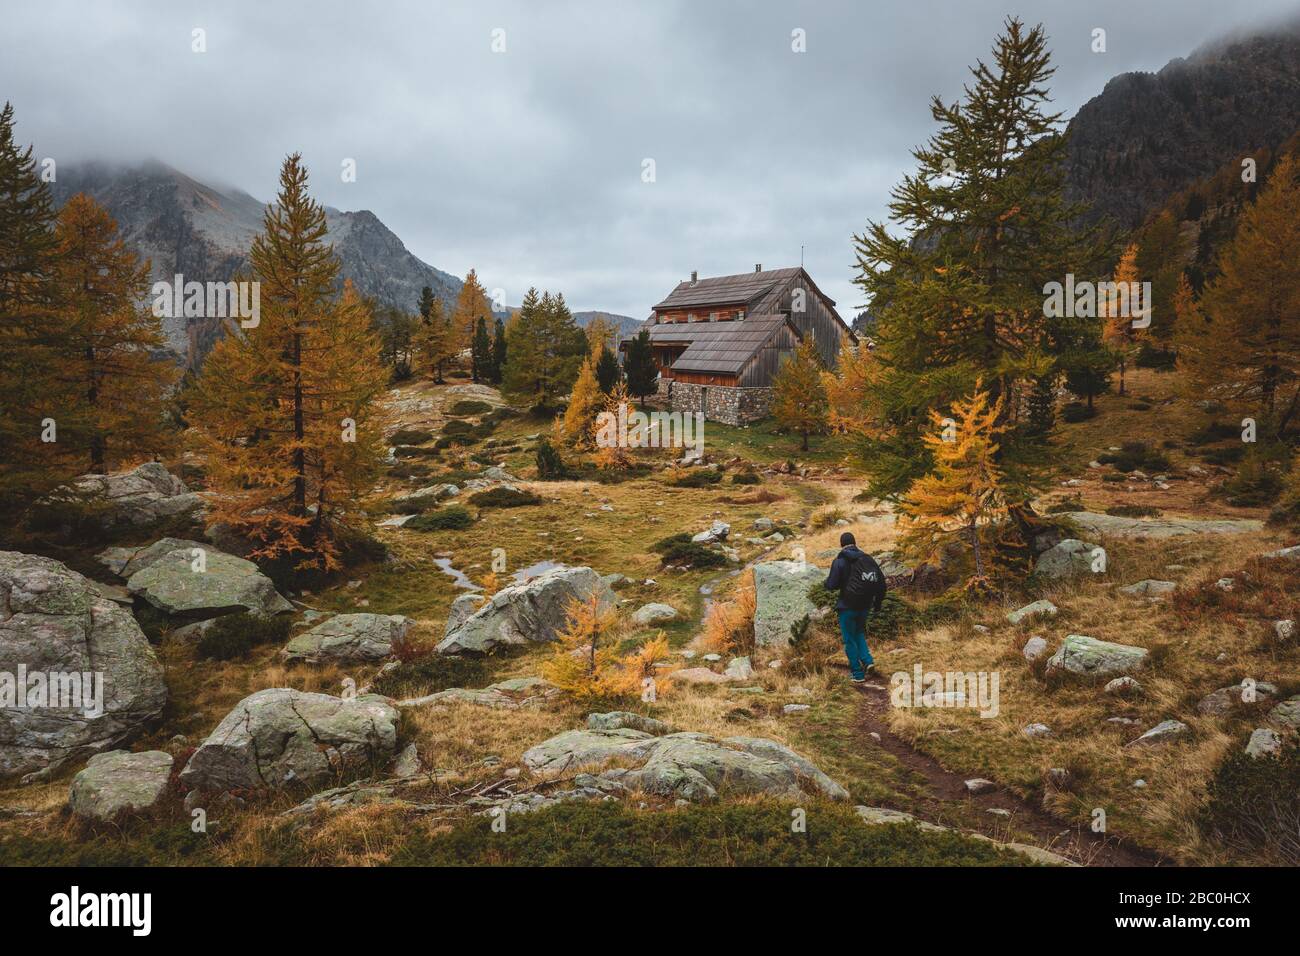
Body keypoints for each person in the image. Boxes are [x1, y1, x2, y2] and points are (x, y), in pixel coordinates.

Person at [824, 531, 887, 683]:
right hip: (865, 605)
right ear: (855, 542)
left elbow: (832, 584)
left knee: (849, 639)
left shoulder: (840, 561)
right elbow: (881, 583)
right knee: (859, 633)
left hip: (847, 606)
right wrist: (877, 604)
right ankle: (868, 661)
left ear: (842, 544)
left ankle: (857, 673)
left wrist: (825, 584)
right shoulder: (867, 559)